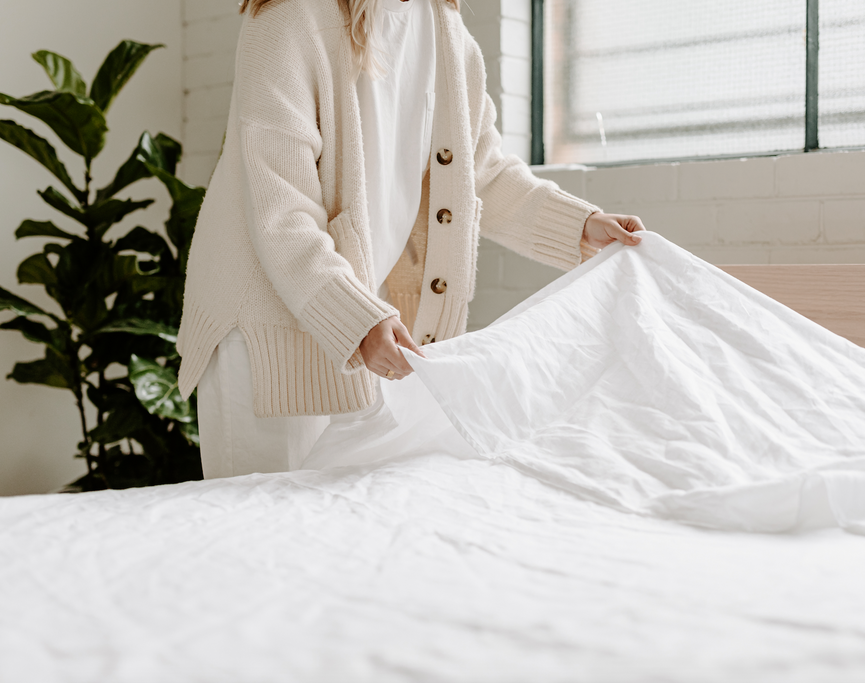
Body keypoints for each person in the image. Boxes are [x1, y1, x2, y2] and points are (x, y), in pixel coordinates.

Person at [176, 0, 645, 479]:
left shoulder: (446, 31)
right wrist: (355, 319)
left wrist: (581, 226)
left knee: (347, 535)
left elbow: (480, 171)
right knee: (260, 536)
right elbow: (282, 209)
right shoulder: (288, 17)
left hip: (358, 318)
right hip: (265, 331)